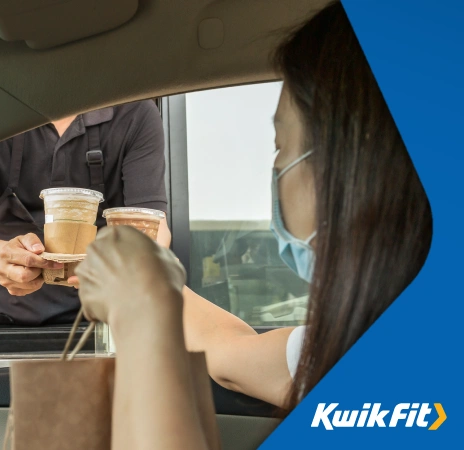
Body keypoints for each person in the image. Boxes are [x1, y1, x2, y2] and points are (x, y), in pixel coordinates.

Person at [73, 2, 432, 446]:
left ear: (353, 168)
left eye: (282, 147)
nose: (276, 171)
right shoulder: (354, 342)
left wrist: (144, 318)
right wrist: (150, 287)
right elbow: (231, 355)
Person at [0, 101, 171, 325]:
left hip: (102, 318)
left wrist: (131, 265)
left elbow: (153, 228)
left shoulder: (134, 113)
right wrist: (4, 258)